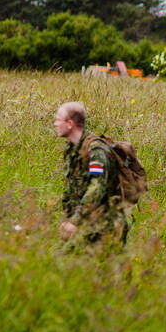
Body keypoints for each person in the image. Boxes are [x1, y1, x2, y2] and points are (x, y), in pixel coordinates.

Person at [55, 101, 130, 247]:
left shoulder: (96, 151)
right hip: (85, 224)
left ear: (70, 124)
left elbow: (97, 188)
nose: (55, 124)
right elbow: (73, 189)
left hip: (105, 229)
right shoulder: (72, 149)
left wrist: (75, 221)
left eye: (58, 119)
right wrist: (67, 218)